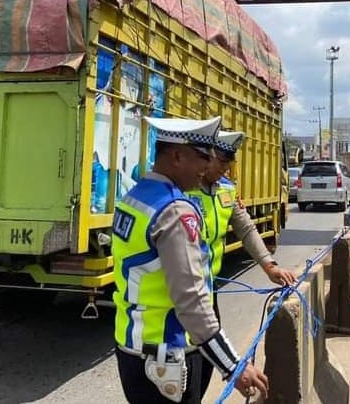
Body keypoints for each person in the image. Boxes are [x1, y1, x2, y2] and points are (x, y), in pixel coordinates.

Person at [112, 116, 269, 403]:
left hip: (132, 348)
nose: (207, 167)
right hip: (166, 355)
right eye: (202, 157)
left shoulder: (135, 197)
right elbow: (191, 301)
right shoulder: (174, 211)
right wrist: (233, 366)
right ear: (176, 156)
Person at [187, 130, 297, 395]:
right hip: (183, 292)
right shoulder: (183, 189)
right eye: (221, 162)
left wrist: (269, 266)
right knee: (185, 367)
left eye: (228, 163)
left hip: (207, 289)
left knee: (204, 365)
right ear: (205, 156)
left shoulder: (226, 189)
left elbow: (246, 230)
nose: (225, 168)